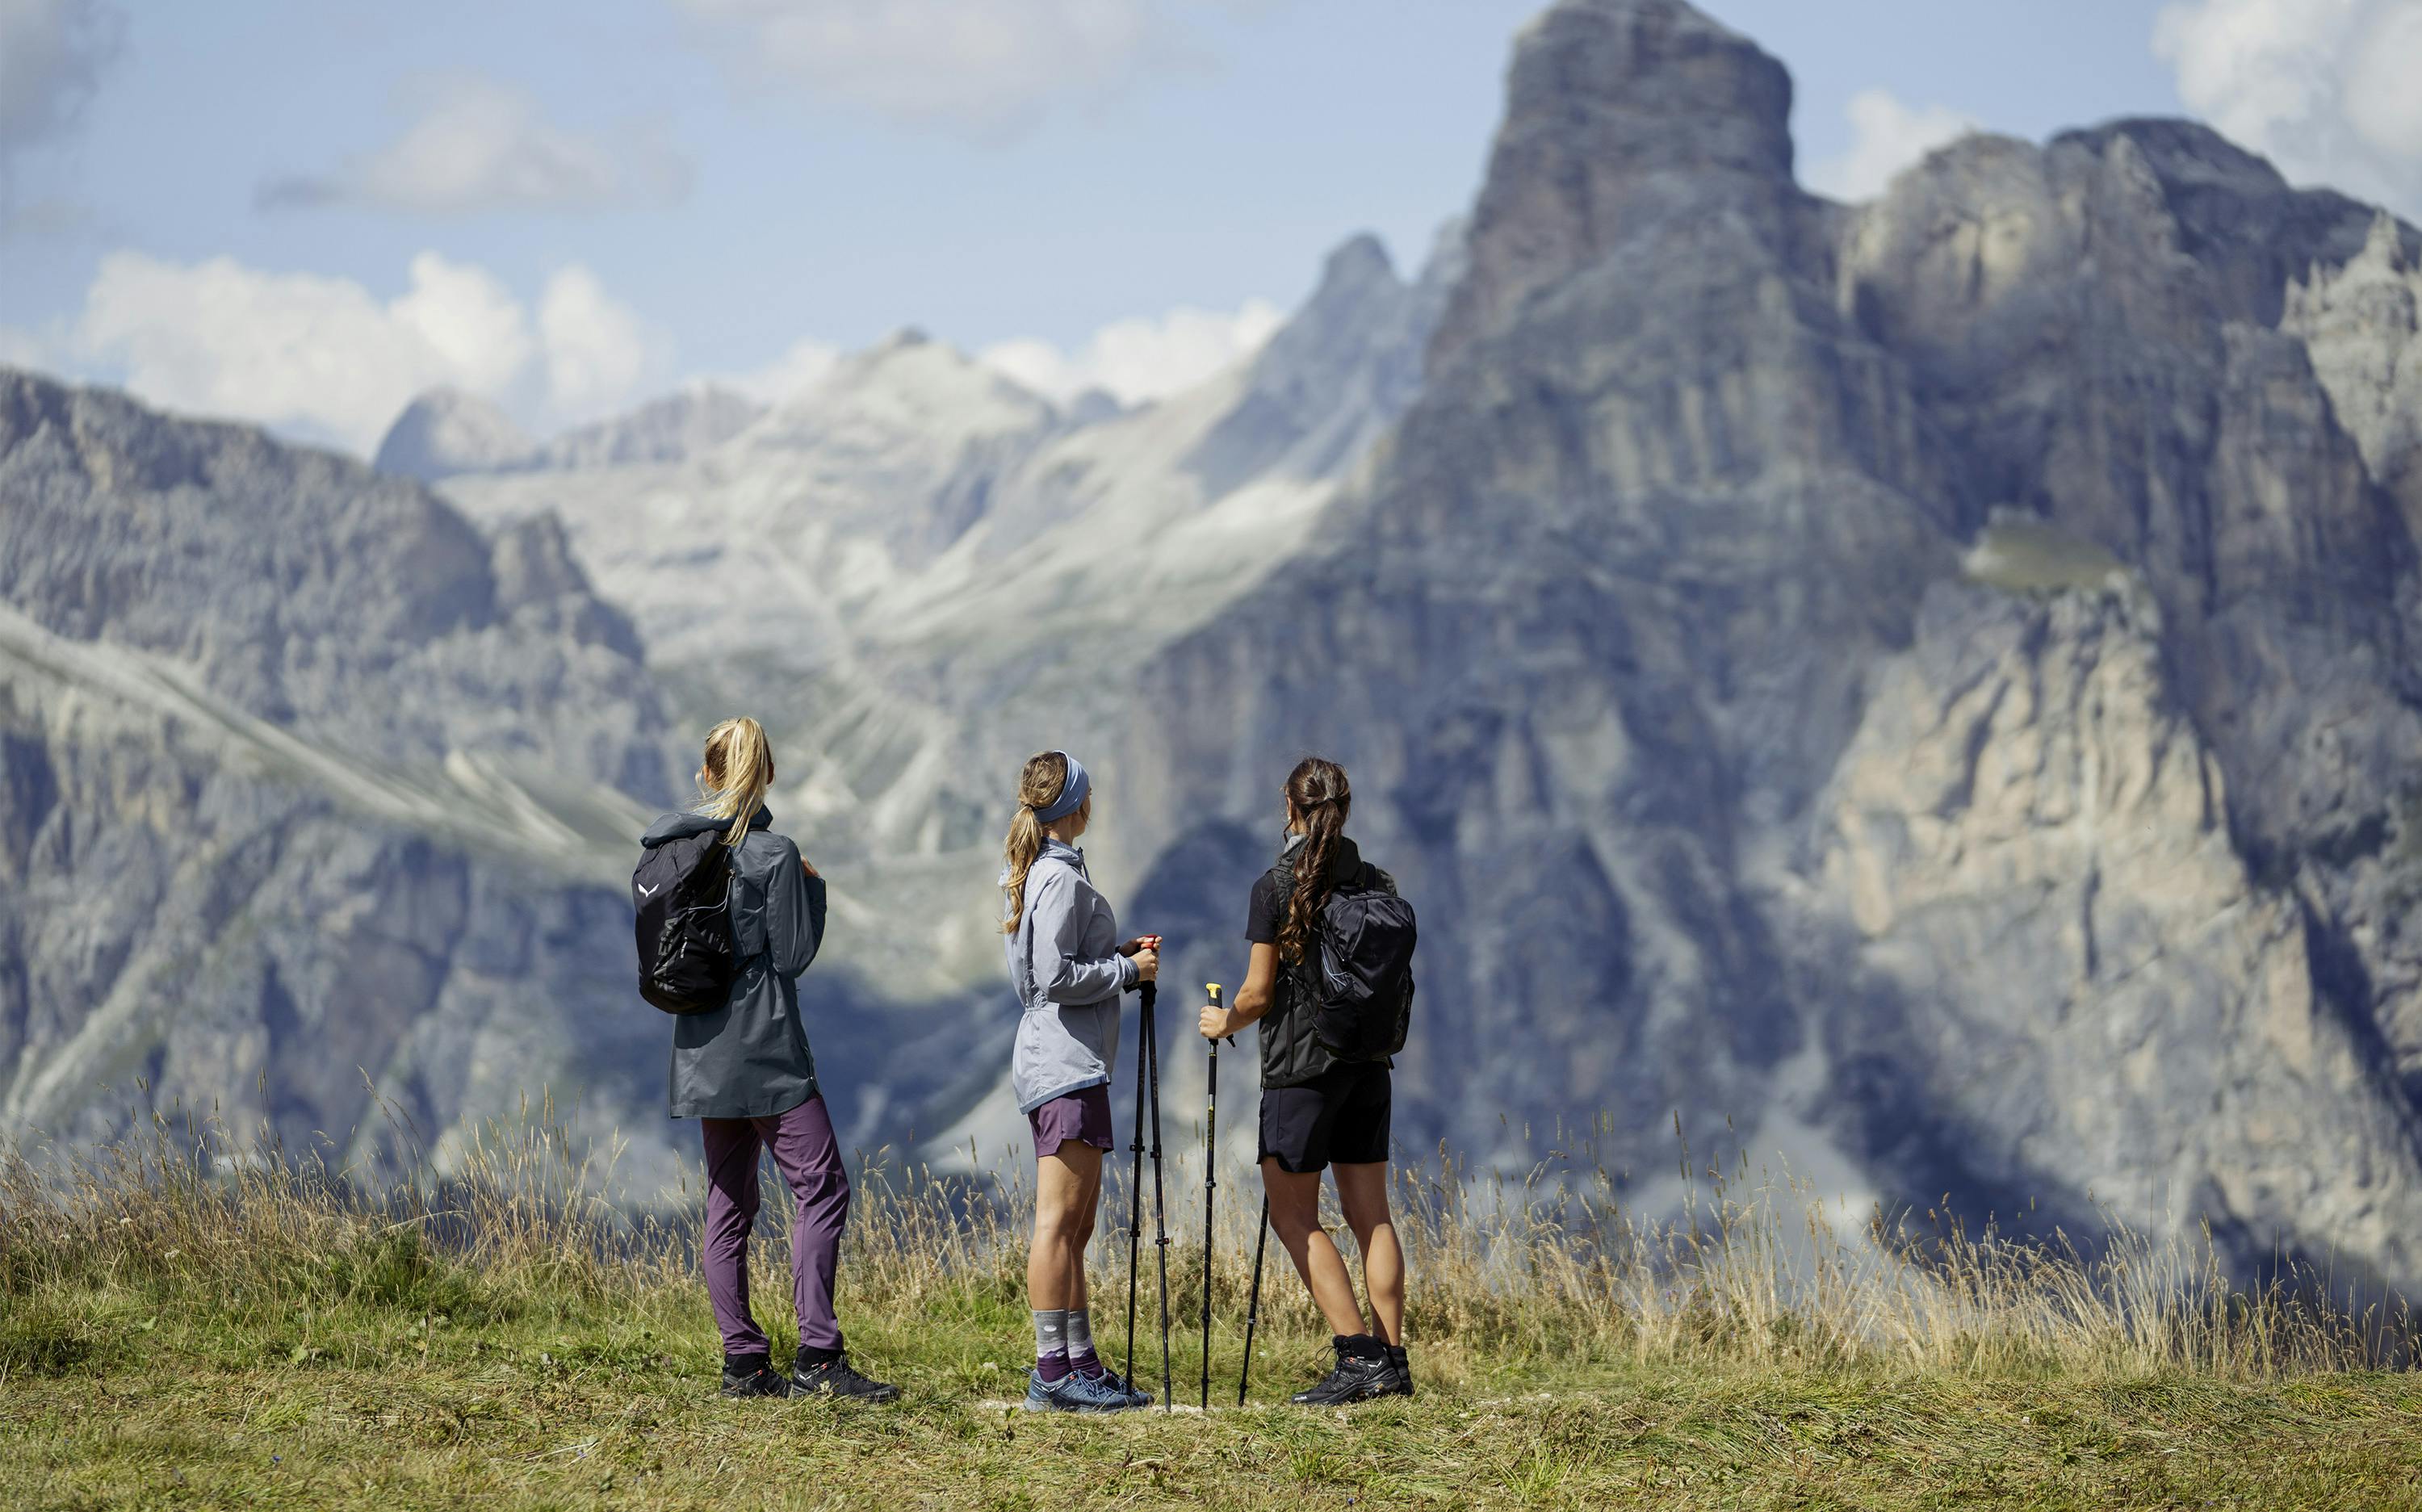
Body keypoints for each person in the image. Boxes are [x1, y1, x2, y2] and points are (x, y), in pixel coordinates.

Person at [640, 717, 899, 1402]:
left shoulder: (673, 846)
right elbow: (792, 953)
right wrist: (812, 889)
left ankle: (745, 1364)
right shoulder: (775, 853)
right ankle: (817, 1354)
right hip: (768, 1054)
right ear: (769, 776)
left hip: (700, 1052)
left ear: (708, 774)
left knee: (729, 1203)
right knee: (824, 1188)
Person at [1198, 756, 1413, 1403]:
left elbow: (1258, 994)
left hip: (1303, 1071)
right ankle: (1393, 1359)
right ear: (1344, 811)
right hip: (1370, 1068)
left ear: (1289, 809)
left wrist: (1222, 1020)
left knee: (1294, 1215)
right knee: (1371, 1214)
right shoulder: (1377, 880)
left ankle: (1357, 1358)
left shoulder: (1277, 885)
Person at [1000, 750, 1159, 1411]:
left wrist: (1114, 957)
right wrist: (1127, 974)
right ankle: (1053, 1372)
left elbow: (1043, 973)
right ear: (1077, 806)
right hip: (1065, 1063)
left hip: (1070, 1061)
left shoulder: (1043, 871)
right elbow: (1053, 977)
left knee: (1076, 1226)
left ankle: (1079, 1360)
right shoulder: (1059, 878)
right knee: (1058, 1223)